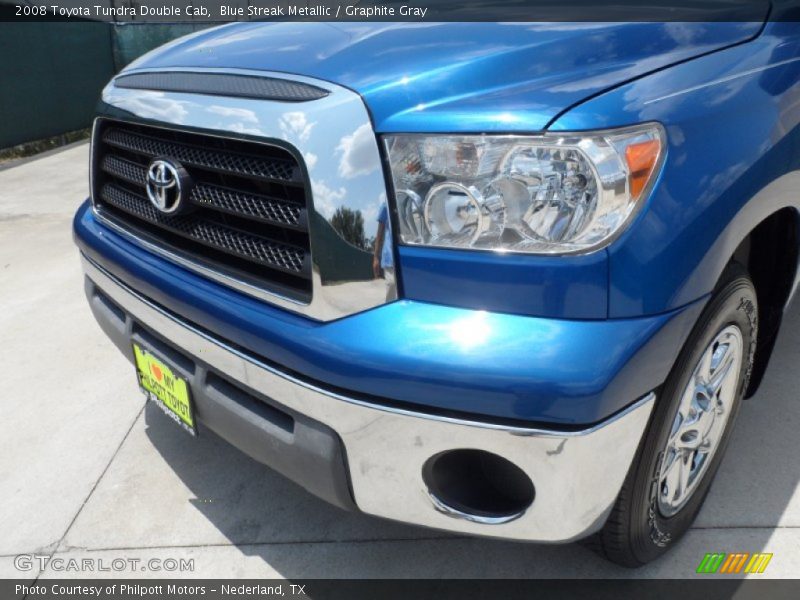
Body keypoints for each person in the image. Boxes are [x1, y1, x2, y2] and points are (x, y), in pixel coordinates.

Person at [373, 203, 396, 301]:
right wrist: (376, 257)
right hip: (390, 255)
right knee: (392, 284)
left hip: (406, 255)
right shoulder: (386, 205)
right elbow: (379, 234)